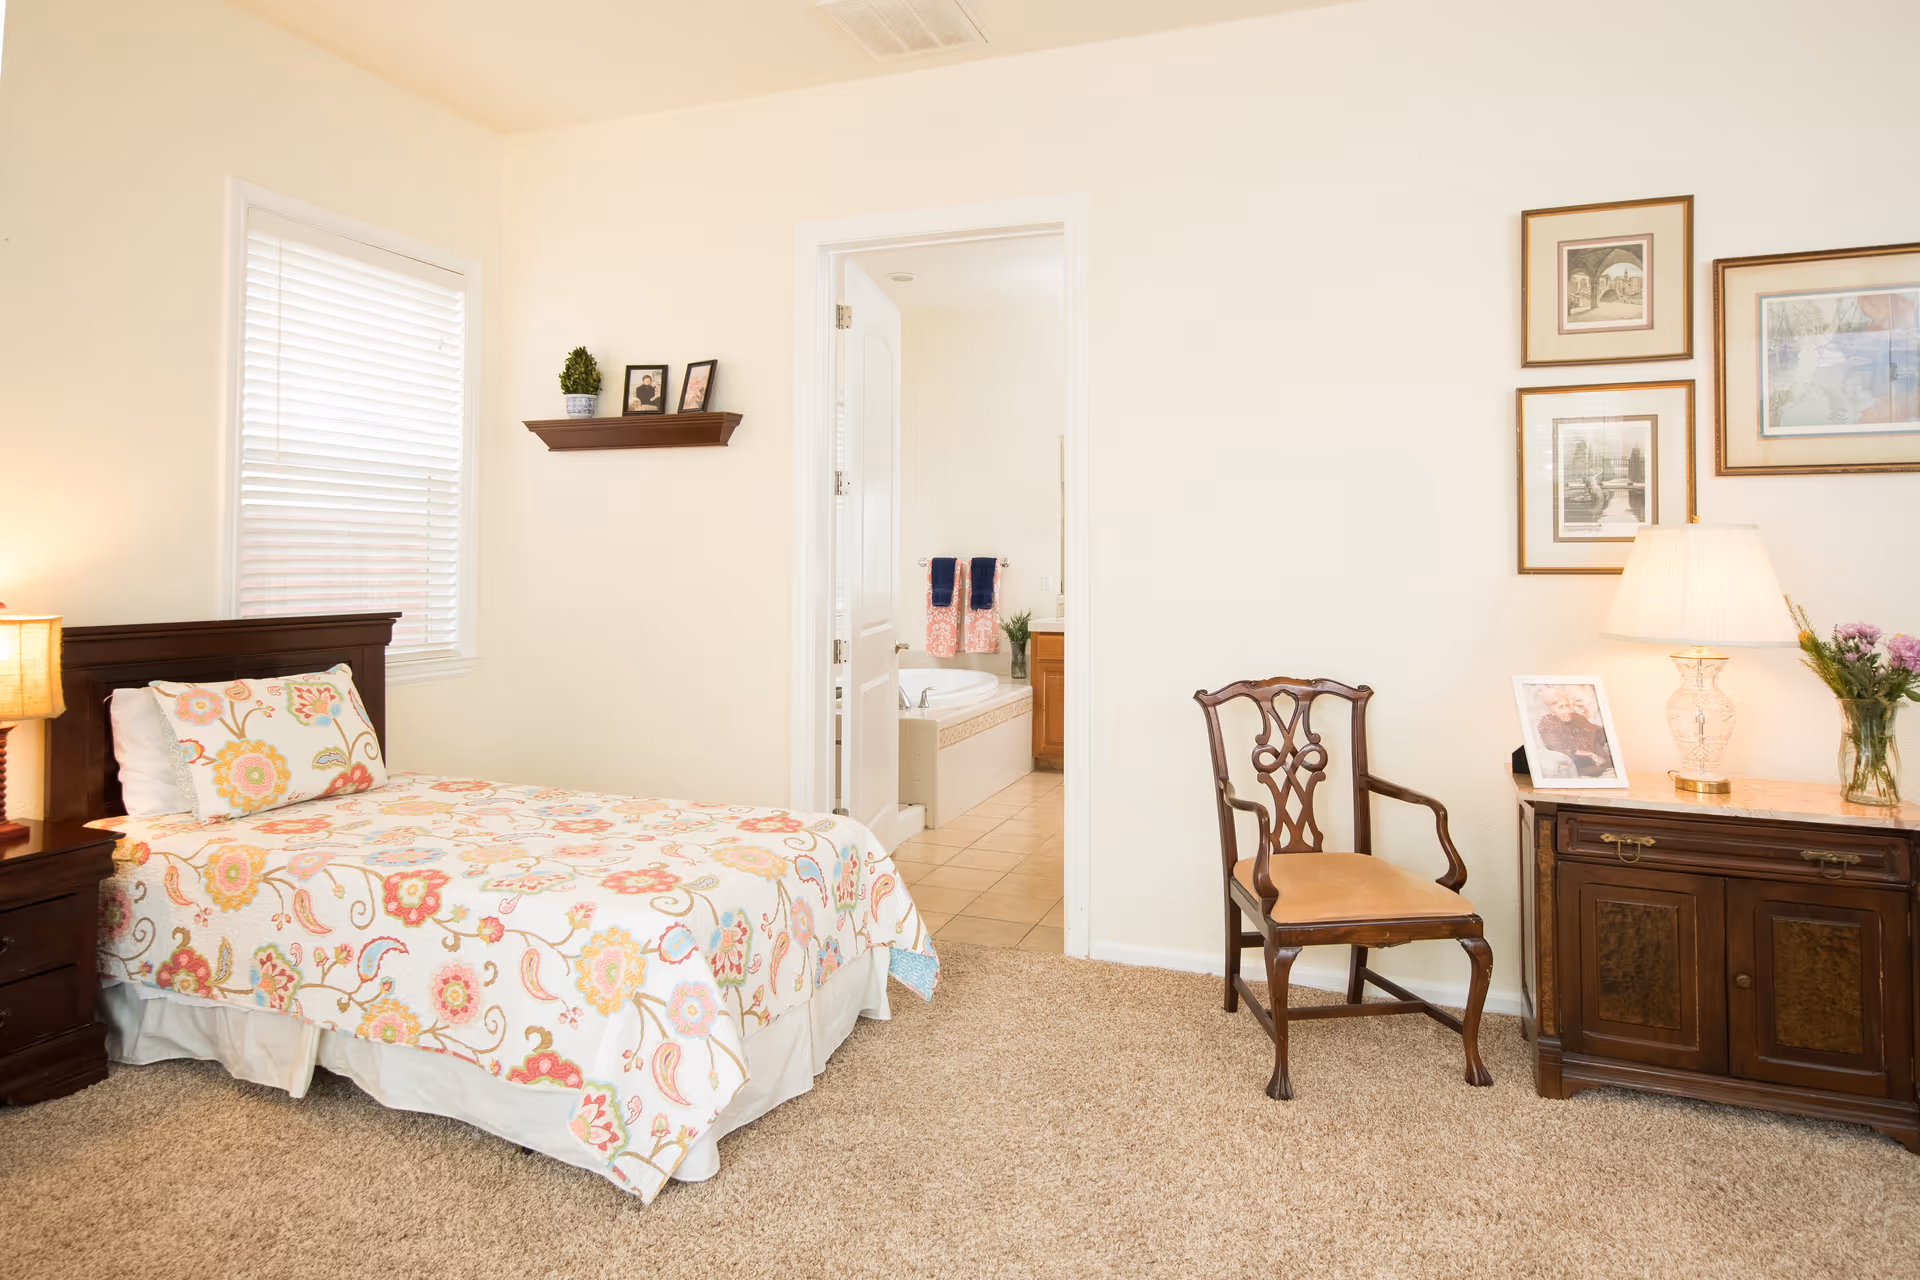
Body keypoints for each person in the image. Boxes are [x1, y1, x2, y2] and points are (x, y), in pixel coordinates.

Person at [1536, 686, 1614, 777]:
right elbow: (1558, 747)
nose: (1567, 710)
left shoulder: (1577, 717)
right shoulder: (1547, 723)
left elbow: (1597, 731)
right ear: (1552, 711)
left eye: (1567, 705)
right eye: (1561, 707)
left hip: (1604, 766)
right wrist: (1591, 755)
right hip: (1584, 770)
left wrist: (1610, 732)